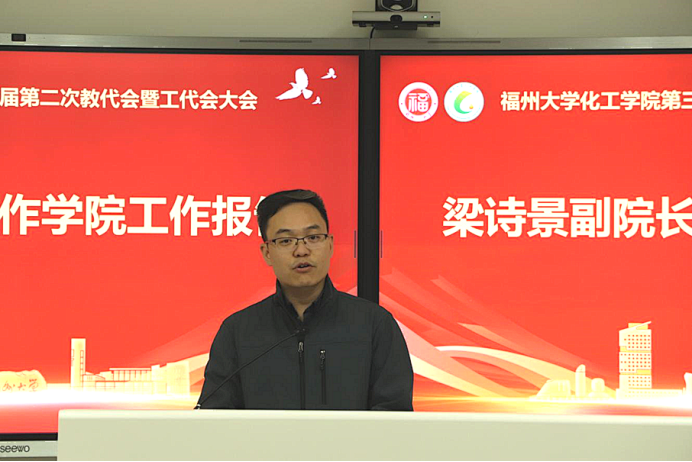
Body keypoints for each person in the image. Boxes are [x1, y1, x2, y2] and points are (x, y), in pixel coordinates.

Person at [197, 189, 413, 410]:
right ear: (267, 252)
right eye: (286, 240)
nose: (301, 250)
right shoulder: (237, 332)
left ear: (330, 244)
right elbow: (214, 418)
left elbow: (394, 415)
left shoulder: (374, 325)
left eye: (313, 237)